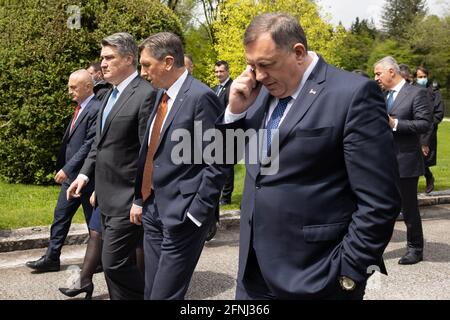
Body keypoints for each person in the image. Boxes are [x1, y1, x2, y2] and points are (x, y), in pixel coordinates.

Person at [216, 13, 401, 300]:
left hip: (318, 278)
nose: (259, 75)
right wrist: (234, 112)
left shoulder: (351, 95)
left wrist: (349, 272)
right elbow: (225, 160)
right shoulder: (258, 94)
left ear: (298, 52)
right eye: (252, 65)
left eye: (266, 64)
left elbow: (380, 201)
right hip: (253, 276)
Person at [131, 32, 225, 300]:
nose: (143, 72)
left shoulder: (201, 97)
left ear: (168, 62)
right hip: (153, 210)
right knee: (151, 292)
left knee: (164, 295)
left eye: (147, 65)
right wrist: (141, 198)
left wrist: (197, 213)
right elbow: (151, 151)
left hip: (183, 215)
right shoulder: (161, 97)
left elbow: (218, 162)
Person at [67, 32, 157, 300]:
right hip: (104, 196)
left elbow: (147, 152)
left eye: (109, 58)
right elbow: (99, 145)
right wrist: (84, 176)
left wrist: (140, 198)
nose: (102, 64)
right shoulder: (106, 95)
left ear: (129, 59)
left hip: (127, 197)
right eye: (102, 58)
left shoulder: (145, 94)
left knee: (114, 262)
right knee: (111, 267)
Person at [26, 70, 101, 273]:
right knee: (60, 217)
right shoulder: (80, 108)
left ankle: (100, 261)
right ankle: (52, 258)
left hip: (88, 178)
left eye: (73, 87)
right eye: (69, 87)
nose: (69, 91)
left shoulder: (96, 108)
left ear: (88, 86)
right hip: (72, 179)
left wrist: (68, 169)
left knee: (92, 223)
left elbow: (89, 145)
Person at [374, 56, 432, 265]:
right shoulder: (380, 94)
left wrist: (395, 123)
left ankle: (415, 248)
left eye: (378, 73)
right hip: (382, 161)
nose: (376, 78)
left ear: (392, 72)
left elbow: (425, 123)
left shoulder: (416, 93)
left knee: (408, 208)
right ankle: (374, 249)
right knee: (380, 207)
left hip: (405, 161)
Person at [414, 66, 445, 193]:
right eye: (419, 77)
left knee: (424, 158)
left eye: (424, 76)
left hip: (428, 129)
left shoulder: (434, 91)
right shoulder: (412, 90)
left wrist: (429, 124)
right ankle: (411, 187)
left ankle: (429, 177)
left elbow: (439, 112)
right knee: (414, 158)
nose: (422, 79)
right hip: (414, 128)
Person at [213, 60, 235, 206]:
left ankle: (226, 197)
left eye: (221, 71)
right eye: (216, 71)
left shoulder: (232, 87)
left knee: (227, 164)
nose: (218, 74)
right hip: (216, 131)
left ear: (227, 72)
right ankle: (218, 192)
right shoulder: (214, 89)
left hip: (228, 130)